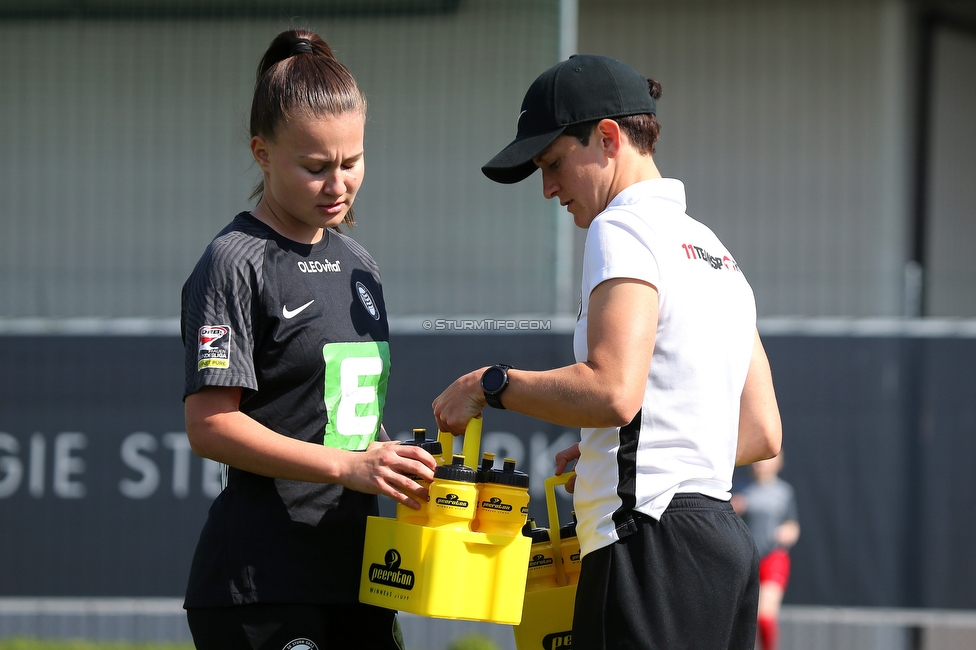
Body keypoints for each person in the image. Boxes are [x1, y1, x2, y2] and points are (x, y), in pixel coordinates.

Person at [432, 54, 782, 649]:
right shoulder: (716, 251)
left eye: (554, 164)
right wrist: (616, 449)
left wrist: (489, 383)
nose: (548, 188)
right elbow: (761, 432)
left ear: (609, 138)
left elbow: (614, 391)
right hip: (723, 550)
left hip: (647, 548)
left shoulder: (620, 227)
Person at [179, 29, 437, 650]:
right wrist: (348, 465)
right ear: (262, 154)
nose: (338, 184)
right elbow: (210, 425)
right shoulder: (233, 261)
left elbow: (346, 424)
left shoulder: (360, 265)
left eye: (352, 162)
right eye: (315, 167)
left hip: (357, 579)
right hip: (263, 584)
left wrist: (391, 464)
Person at [732, 453, 800, 650]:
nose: (760, 464)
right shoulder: (739, 488)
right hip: (745, 560)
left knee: (765, 616)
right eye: (757, 460)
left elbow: (792, 524)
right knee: (743, 620)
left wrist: (789, 531)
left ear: (778, 463)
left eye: (766, 459)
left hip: (773, 558)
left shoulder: (784, 492)